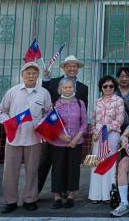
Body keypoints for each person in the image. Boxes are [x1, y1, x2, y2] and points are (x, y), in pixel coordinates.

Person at [0, 61, 53, 213]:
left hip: (34, 138)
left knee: (32, 169)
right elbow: (1, 111)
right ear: (22, 75)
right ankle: (10, 201)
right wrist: (8, 122)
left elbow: (49, 112)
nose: (31, 76)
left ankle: (30, 199)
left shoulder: (44, 93)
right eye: (28, 73)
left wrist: (41, 124)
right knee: (10, 171)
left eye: (34, 73)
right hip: (13, 138)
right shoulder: (12, 92)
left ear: (38, 76)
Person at [38, 54, 88, 195]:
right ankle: (34, 191)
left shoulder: (84, 88)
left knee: (69, 164)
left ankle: (66, 190)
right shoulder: (53, 82)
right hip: (54, 131)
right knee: (46, 162)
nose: (72, 68)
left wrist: (78, 135)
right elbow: (45, 95)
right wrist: (46, 79)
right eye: (69, 66)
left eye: (75, 66)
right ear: (64, 68)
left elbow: (83, 113)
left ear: (78, 68)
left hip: (73, 134)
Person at [48, 77, 88, 209]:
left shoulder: (79, 103)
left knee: (73, 168)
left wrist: (76, 138)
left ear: (74, 89)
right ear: (60, 89)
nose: (68, 89)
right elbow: (51, 124)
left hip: (76, 142)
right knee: (58, 168)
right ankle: (57, 196)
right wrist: (60, 135)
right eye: (65, 87)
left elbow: (84, 123)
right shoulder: (55, 105)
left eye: (70, 87)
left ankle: (71, 195)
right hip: (59, 143)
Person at [89, 75, 125, 203]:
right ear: (101, 87)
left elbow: (120, 119)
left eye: (111, 86)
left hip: (112, 135)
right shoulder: (97, 101)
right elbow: (93, 119)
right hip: (98, 136)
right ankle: (95, 195)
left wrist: (107, 128)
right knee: (96, 163)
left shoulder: (118, 100)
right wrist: (93, 132)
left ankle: (108, 194)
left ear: (114, 87)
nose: (108, 88)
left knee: (109, 163)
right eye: (105, 86)